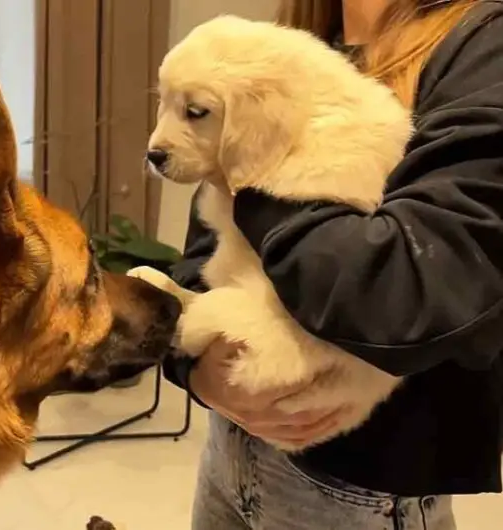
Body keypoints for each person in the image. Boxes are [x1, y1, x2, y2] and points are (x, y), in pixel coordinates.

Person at [163, 0, 503, 528]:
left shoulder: (485, 47)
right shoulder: (290, 42)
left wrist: (252, 177)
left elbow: (411, 292)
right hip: (231, 454)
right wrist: (196, 369)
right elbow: (206, 248)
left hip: (362, 487)